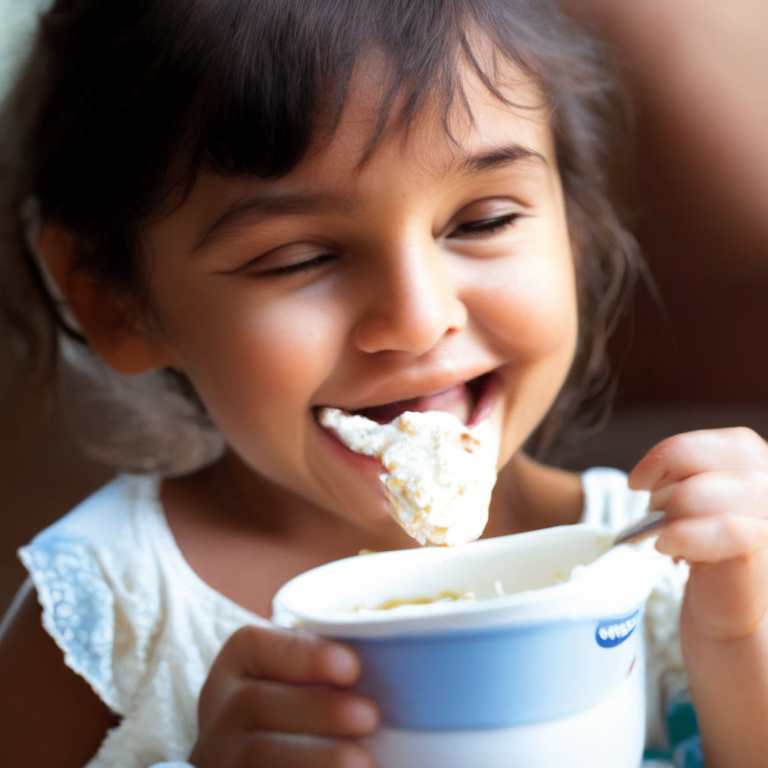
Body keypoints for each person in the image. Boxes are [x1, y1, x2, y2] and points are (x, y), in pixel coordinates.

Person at [0, 1, 766, 767]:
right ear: (114, 298)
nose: (417, 317)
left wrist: (741, 638)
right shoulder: (111, 609)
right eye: (299, 258)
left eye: (484, 220)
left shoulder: (673, 562)